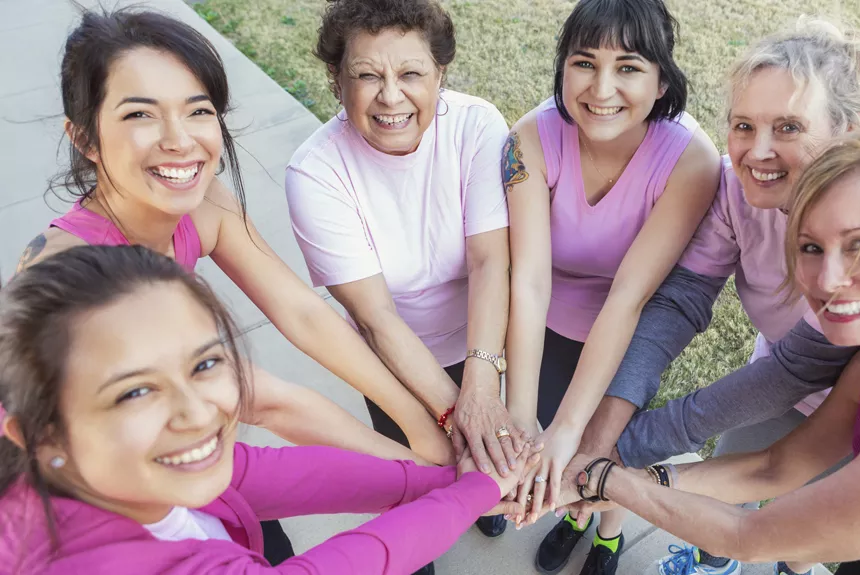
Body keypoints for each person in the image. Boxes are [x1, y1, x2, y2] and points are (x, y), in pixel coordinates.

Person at [13, 9, 452, 566]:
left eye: (198, 110)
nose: (180, 141)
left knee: (260, 536)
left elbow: (302, 313)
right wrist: (423, 473)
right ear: (84, 139)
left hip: (177, 467)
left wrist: (425, 426)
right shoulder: (84, 283)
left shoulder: (206, 198)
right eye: (140, 114)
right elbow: (269, 403)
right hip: (104, 524)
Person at [560, 125, 860, 575]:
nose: (828, 280)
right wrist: (632, 477)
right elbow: (777, 467)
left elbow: (748, 537)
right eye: (811, 248)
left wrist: (602, 479)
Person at [554, 19, 860, 575]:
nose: (757, 151)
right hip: (774, 385)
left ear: (848, 131)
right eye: (743, 125)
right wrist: (605, 430)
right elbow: (684, 297)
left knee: (809, 533)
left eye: (788, 128)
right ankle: (716, 564)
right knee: (726, 507)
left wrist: (631, 445)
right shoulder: (735, 187)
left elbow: (802, 365)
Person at [0, 244, 532, 575]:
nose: (197, 412)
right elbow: (356, 561)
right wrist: (476, 490)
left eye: (205, 364)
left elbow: (271, 475)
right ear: (38, 433)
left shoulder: (89, 479)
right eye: (134, 392)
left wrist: (447, 484)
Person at [284, 0, 524, 541]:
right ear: (335, 79)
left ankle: (485, 499)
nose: (390, 96)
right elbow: (376, 318)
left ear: (440, 73)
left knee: (487, 452)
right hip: (392, 358)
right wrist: (453, 415)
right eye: (366, 75)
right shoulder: (314, 172)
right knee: (418, 478)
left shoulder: (476, 125)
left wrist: (481, 391)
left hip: (479, 340)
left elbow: (490, 260)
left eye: (411, 73)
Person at [501, 0, 722, 572]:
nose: (602, 88)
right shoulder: (527, 139)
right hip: (549, 317)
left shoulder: (691, 161)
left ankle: (606, 532)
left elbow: (629, 296)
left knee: (606, 440)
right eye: (584, 62)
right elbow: (526, 280)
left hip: (632, 323)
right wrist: (523, 417)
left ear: (661, 78)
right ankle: (573, 516)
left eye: (628, 67)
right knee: (549, 425)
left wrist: (570, 426)